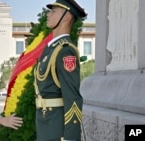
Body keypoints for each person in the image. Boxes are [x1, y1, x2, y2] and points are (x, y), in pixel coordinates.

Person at [34, 0, 87, 141]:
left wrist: (71, 137)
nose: (48, 14)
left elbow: (73, 98)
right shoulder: (51, 49)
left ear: (66, 17)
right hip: (46, 124)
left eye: (53, 11)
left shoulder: (65, 51)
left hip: (58, 130)